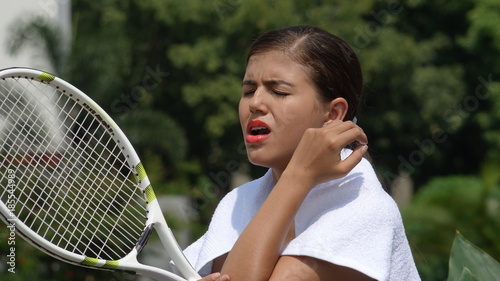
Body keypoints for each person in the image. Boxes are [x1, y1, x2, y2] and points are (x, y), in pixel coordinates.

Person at [175, 25, 420, 281]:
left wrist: (298, 176)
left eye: (278, 92)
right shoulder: (237, 203)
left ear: (334, 114)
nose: (255, 103)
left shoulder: (363, 208)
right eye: (248, 91)